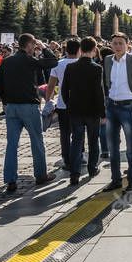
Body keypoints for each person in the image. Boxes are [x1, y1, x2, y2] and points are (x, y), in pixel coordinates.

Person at [0, 33, 57, 191]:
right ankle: (41, 175)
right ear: (30, 45)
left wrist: (5, 102)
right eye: (33, 44)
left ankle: (10, 180)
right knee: (36, 141)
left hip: (11, 107)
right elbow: (53, 62)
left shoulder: (7, 61)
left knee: (11, 145)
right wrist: (44, 47)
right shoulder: (30, 60)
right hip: (29, 106)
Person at [102, 33, 132, 193]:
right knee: (112, 146)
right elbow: (105, 83)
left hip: (129, 106)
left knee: (131, 146)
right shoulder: (108, 60)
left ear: (127, 44)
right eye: (114, 43)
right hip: (111, 106)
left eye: (120, 43)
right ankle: (115, 179)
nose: (117, 46)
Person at [61, 37, 106, 186]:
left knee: (77, 142)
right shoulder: (97, 68)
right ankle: (92, 168)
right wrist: (103, 113)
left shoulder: (70, 67)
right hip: (92, 111)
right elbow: (99, 93)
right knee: (94, 141)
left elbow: (64, 90)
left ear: (80, 49)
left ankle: (74, 173)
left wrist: (69, 105)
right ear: (94, 50)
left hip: (75, 110)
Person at [44, 39, 80, 172]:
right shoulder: (81, 63)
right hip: (79, 104)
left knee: (64, 133)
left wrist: (48, 101)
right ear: (79, 50)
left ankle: (66, 159)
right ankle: (78, 155)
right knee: (78, 132)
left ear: (66, 50)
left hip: (62, 103)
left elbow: (51, 85)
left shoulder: (58, 64)